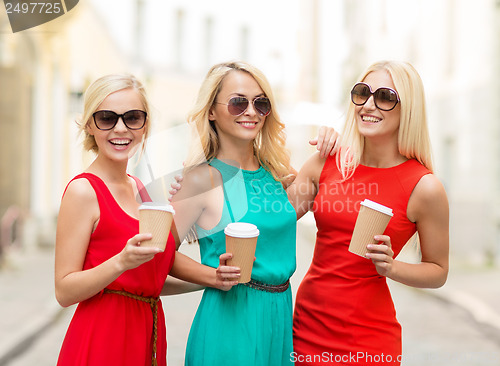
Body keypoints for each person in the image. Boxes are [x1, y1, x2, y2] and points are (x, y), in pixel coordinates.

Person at [167, 61, 339, 366]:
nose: (251, 111)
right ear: (211, 111)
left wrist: (337, 140)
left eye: (261, 103)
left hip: (280, 318)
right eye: (237, 102)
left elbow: (334, 177)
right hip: (229, 321)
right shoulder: (198, 179)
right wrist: (212, 276)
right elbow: (160, 254)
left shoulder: (277, 174)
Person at [290, 60, 450, 365]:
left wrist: (391, 267)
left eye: (386, 97)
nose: (369, 105)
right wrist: (201, 185)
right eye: (362, 93)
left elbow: (438, 270)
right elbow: (273, 220)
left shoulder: (424, 188)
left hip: (369, 339)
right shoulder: (325, 163)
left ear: (409, 109)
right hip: (308, 326)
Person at [55, 74, 176, 366]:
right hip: (103, 339)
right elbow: (64, 290)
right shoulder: (83, 190)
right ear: (89, 125)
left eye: (133, 117)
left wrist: (214, 280)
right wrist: (120, 261)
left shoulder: (139, 188)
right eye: (107, 118)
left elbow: (146, 280)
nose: (121, 128)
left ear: (145, 126)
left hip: (147, 331)